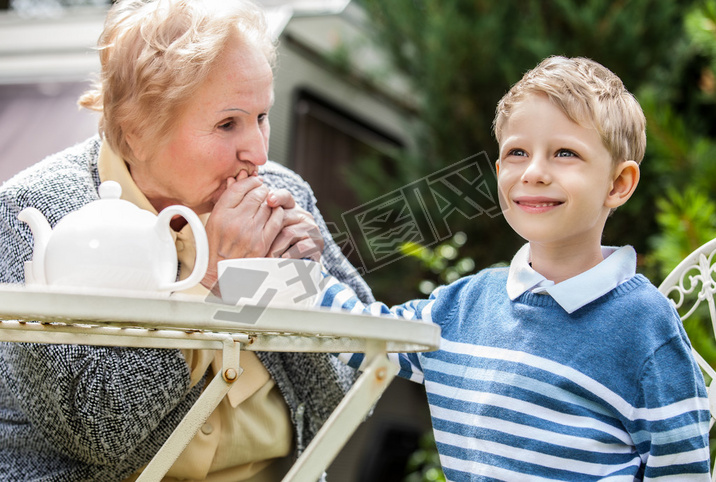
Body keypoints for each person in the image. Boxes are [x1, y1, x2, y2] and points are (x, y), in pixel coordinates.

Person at [0, 0, 373, 480]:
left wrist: (301, 289)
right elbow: (98, 434)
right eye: (227, 124)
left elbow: (354, 395)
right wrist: (215, 282)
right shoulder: (36, 215)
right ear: (136, 132)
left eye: (262, 116)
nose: (258, 153)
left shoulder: (285, 194)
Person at [318, 56, 711, 480]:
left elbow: (681, 473)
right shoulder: (463, 305)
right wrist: (297, 262)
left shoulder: (646, 328)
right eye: (517, 153)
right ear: (500, 169)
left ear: (618, 184)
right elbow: (366, 334)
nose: (535, 172)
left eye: (565, 153)